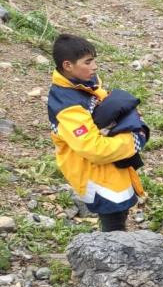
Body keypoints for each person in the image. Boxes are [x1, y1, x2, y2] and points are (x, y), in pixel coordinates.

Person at [47, 34, 148, 232]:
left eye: (94, 60)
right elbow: (94, 148)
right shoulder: (67, 106)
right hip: (95, 174)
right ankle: (111, 259)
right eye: (88, 62)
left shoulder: (85, 83)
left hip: (112, 167)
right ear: (68, 65)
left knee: (120, 215)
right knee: (113, 223)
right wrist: (134, 140)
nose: (94, 67)